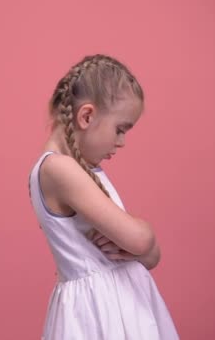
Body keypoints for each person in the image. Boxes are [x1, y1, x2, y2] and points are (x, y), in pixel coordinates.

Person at [28, 54, 179, 339]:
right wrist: (144, 233)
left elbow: (150, 256)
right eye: (120, 129)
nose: (121, 142)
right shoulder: (58, 168)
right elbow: (141, 241)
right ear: (86, 116)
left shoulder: (83, 169)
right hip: (99, 313)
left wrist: (143, 245)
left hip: (122, 302)